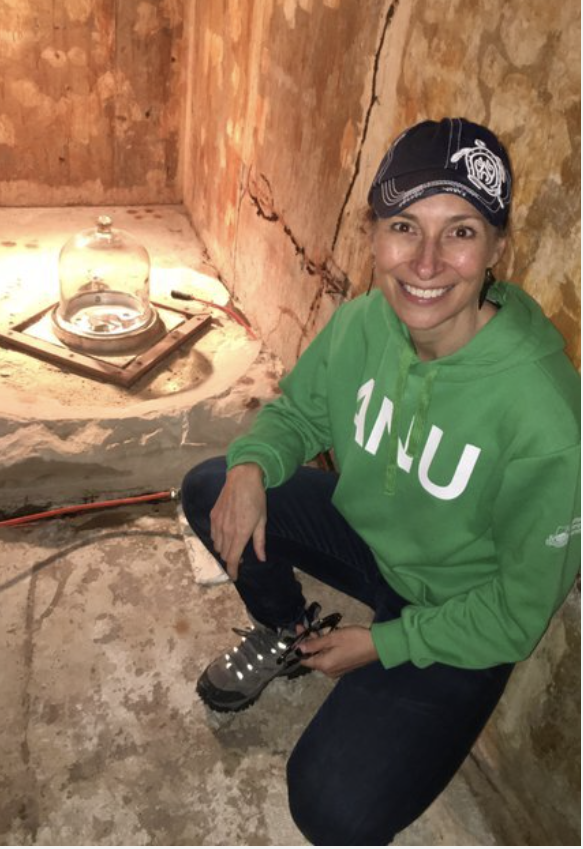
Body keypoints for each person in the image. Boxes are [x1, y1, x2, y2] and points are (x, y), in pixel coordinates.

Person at [181, 118, 580, 844]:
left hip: (465, 611)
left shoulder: (547, 417)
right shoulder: (365, 322)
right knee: (211, 485)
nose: (426, 262)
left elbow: (519, 614)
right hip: (373, 543)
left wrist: (386, 643)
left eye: (459, 231)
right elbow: (298, 415)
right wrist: (249, 464)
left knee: (334, 810)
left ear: (498, 248)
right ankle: (288, 630)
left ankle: (407, 690)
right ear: (374, 235)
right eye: (404, 226)